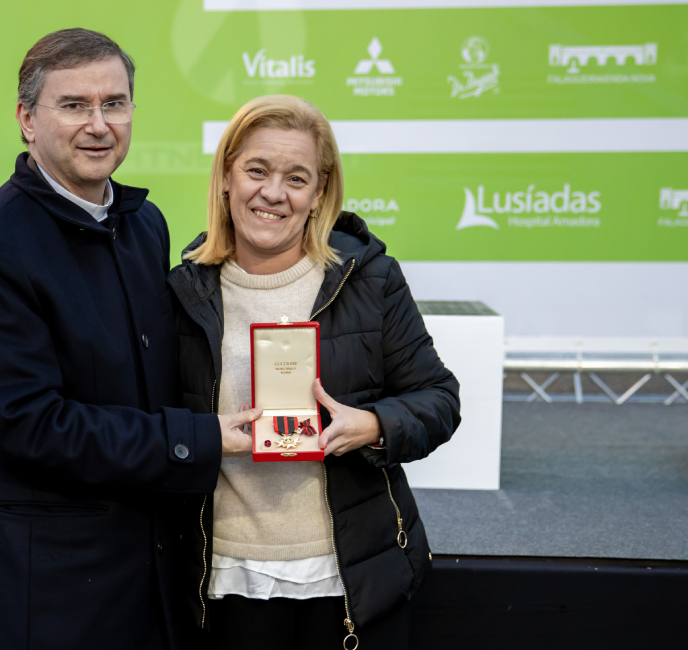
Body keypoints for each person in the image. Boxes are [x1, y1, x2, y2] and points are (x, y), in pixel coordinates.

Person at [0, 28, 258, 649]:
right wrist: (197, 439)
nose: (99, 124)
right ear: (27, 120)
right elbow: (30, 425)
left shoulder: (144, 225)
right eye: (74, 105)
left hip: (152, 577)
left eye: (114, 103)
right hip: (51, 593)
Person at [168, 95, 461, 650]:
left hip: (347, 575)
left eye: (296, 178)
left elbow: (439, 398)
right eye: (256, 170)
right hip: (225, 576)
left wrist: (374, 425)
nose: (273, 193)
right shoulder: (184, 291)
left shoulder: (369, 279)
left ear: (320, 191)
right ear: (227, 176)